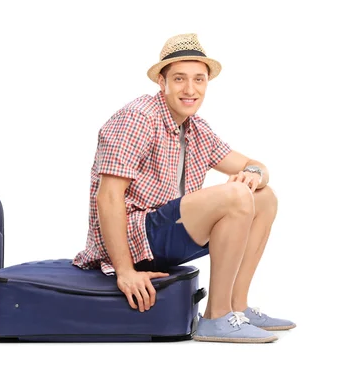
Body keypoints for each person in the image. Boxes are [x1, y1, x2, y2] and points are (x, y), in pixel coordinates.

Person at [73, 33, 295, 343]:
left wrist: (253, 175)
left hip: (167, 234)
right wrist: (125, 271)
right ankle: (215, 317)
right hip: (135, 239)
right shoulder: (138, 118)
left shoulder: (196, 128)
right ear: (161, 83)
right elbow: (108, 197)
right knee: (235, 195)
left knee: (265, 197)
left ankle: (236, 307)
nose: (190, 89)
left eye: (198, 80)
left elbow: (256, 165)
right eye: (179, 79)